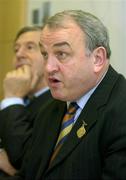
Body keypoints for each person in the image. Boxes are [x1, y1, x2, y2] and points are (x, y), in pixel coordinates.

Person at [1, 9, 126, 180]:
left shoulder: (121, 110)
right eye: (45, 54)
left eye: (61, 54)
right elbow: (29, 174)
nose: (48, 67)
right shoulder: (51, 108)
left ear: (97, 59)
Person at [0, 26, 53, 176]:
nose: (19, 54)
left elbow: (24, 161)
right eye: (16, 49)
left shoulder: (59, 104)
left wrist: (12, 98)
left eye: (30, 47)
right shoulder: (19, 99)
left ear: (49, 57)